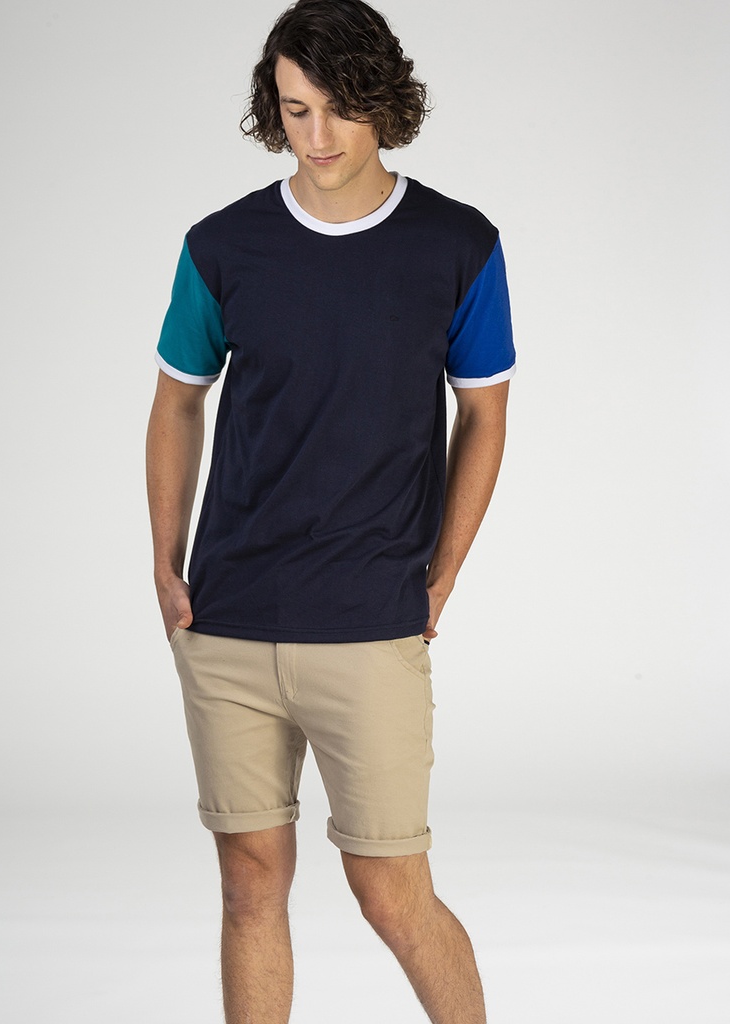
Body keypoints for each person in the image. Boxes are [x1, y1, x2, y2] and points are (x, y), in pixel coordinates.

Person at [146, 1, 515, 1020]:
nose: (317, 136)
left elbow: (484, 414)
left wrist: (442, 572)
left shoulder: (458, 244)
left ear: (384, 102)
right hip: (230, 619)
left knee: (392, 891)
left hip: (368, 620)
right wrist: (167, 564)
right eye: (295, 109)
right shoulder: (223, 245)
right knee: (248, 884)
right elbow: (178, 398)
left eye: (340, 108)